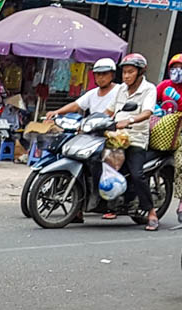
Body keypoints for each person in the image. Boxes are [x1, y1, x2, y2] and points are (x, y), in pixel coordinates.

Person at [105, 53, 158, 230]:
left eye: (130, 72)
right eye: (124, 72)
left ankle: (151, 212)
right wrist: (92, 121)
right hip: (116, 136)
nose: (126, 76)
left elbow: (147, 112)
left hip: (136, 138)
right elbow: (109, 111)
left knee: (137, 174)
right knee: (96, 162)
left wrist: (130, 120)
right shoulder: (120, 89)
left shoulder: (149, 89)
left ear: (140, 72)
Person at [45, 57, 119, 120]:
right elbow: (76, 105)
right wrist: (56, 112)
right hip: (93, 126)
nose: (101, 77)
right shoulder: (92, 93)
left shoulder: (120, 90)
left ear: (112, 75)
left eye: (104, 74)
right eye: (98, 74)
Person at [155, 53, 182, 221]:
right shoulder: (164, 85)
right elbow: (151, 100)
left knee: (181, 163)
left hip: (180, 133)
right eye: (174, 68)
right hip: (162, 129)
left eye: (180, 68)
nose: (177, 71)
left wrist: (178, 100)